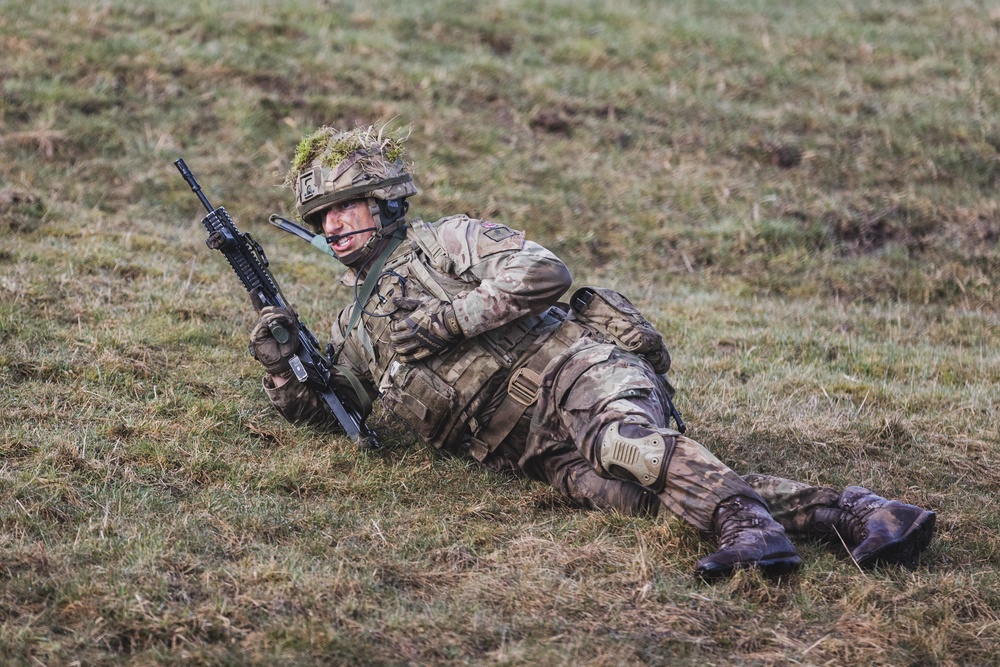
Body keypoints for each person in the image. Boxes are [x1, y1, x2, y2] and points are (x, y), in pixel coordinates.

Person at [249, 123, 936, 580]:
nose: (334, 225)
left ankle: (752, 531)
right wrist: (284, 362)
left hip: (574, 371)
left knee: (624, 443)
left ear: (386, 203)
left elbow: (543, 270)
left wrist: (449, 319)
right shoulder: (353, 321)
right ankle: (863, 513)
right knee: (633, 494)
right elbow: (341, 409)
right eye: (323, 217)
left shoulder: (441, 241)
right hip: (530, 449)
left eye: (348, 205)